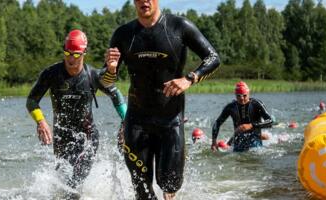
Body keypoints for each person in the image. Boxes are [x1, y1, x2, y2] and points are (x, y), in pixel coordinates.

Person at [102, 0, 220, 199]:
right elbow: (106, 81)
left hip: (170, 121)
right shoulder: (123, 34)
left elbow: (213, 58)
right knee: (142, 191)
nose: (144, 1)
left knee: (169, 187)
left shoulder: (179, 27)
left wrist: (189, 79)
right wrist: (111, 68)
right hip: (136, 123)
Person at [25, 30, 127, 194]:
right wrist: (41, 121)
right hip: (61, 137)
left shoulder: (92, 75)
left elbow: (115, 94)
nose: (71, 58)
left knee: (74, 182)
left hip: (87, 136)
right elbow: (31, 100)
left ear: (84, 53)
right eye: (67, 53)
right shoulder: (51, 74)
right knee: (63, 183)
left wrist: (126, 120)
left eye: (76, 54)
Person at [211, 81, 274, 152]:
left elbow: (270, 122)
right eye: (238, 95)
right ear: (235, 95)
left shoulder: (257, 104)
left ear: (248, 94)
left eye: (244, 95)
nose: (241, 98)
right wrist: (214, 141)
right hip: (238, 142)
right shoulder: (230, 107)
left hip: (255, 142)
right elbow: (217, 123)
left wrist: (251, 125)